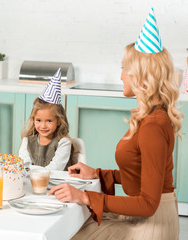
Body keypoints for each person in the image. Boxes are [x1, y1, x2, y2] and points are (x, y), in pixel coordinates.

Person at [49, 8, 182, 239]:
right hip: (148, 218)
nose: (121, 76)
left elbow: (149, 203)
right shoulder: (152, 117)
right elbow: (144, 175)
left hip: (151, 224)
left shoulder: (153, 126)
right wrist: (99, 174)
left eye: (124, 69)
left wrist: (85, 197)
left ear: (140, 74)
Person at [19, 69, 74, 170]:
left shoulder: (63, 143)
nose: (43, 126)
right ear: (33, 119)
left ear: (59, 121)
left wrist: (33, 172)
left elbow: (54, 169)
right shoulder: (27, 141)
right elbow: (24, 166)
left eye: (49, 121)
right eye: (38, 120)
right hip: (33, 183)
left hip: (57, 184)